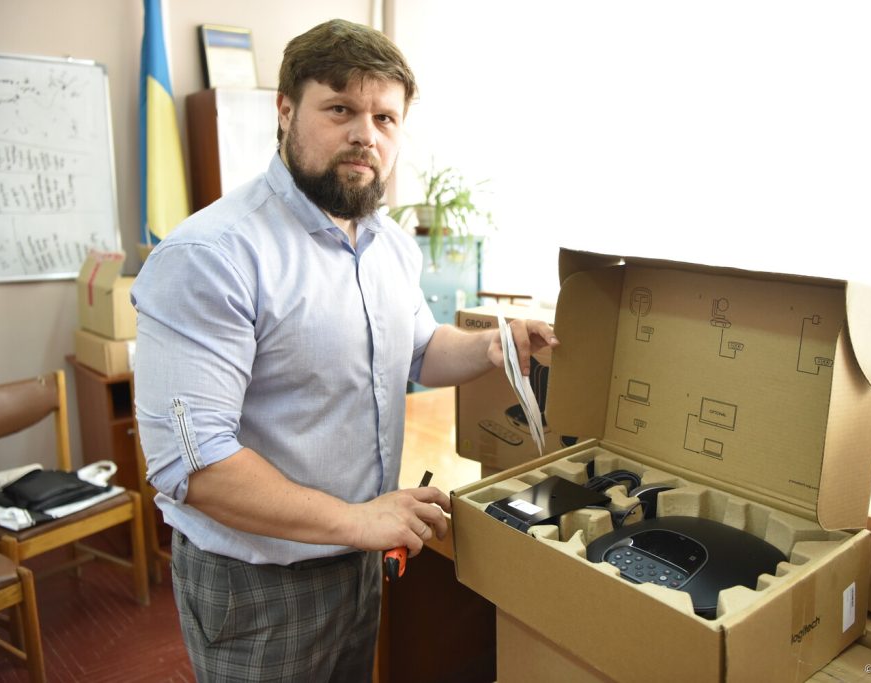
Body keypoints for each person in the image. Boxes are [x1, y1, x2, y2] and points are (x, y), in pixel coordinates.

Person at [131, 18, 556, 682]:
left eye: (385, 118)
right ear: (285, 110)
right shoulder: (212, 255)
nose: (366, 134)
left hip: (357, 557)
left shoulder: (387, 244)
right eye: (340, 109)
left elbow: (418, 349)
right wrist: (359, 521)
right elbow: (196, 465)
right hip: (260, 584)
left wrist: (494, 345)